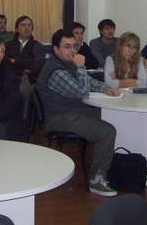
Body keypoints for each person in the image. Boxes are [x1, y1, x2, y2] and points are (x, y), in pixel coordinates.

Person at [36, 29, 120, 197]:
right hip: (58, 117)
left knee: (112, 117)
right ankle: (97, 180)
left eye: (74, 46)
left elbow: (89, 81)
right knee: (107, 131)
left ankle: (111, 166)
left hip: (73, 110)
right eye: (67, 47)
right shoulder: (56, 71)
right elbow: (81, 91)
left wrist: (106, 88)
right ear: (55, 49)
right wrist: (81, 67)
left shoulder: (67, 64)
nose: (72, 51)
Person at [5, 15, 45, 86]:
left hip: (29, 81)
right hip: (10, 77)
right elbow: (6, 63)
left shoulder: (38, 46)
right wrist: (24, 68)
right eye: (23, 25)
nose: (27, 28)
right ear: (17, 29)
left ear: (32, 28)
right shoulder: (8, 45)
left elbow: (36, 66)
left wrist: (15, 61)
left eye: (29, 25)